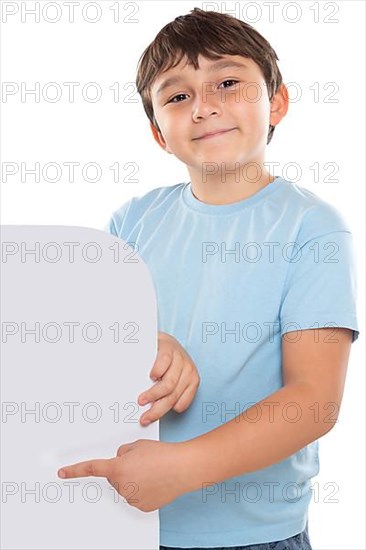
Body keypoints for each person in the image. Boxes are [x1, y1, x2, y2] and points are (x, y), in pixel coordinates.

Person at [57, 8, 360, 550]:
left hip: (254, 537)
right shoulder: (131, 221)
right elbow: (78, 346)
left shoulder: (312, 227)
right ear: (157, 133)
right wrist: (143, 340)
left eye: (227, 82)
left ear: (278, 102)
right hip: (124, 522)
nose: (204, 106)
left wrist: (182, 467)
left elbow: (314, 400)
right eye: (177, 96)